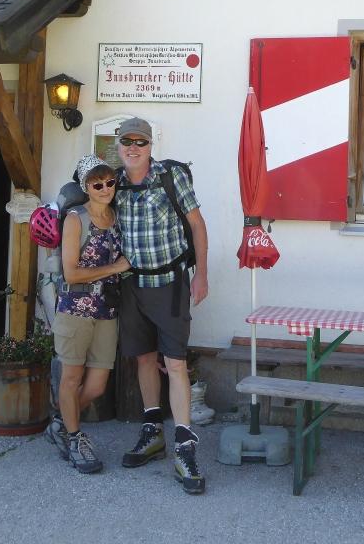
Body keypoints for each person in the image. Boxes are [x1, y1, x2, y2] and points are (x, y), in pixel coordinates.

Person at [114, 117, 210, 495]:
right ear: (118, 146)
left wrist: (201, 274)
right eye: (127, 141)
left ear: (151, 145)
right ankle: (153, 434)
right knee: (143, 359)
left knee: (175, 364)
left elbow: (197, 224)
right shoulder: (114, 184)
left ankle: (185, 451)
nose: (133, 148)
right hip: (131, 285)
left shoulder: (171, 177)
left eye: (140, 141)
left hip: (170, 284)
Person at [47, 155, 130, 474]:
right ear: (86, 187)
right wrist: (115, 268)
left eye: (110, 182)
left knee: (95, 386)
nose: (105, 188)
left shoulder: (117, 216)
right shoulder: (75, 220)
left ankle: (60, 423)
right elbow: (71, 273)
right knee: (71, 379)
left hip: (106, 310)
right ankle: (75, 438)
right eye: (97, 183)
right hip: (75, 309)